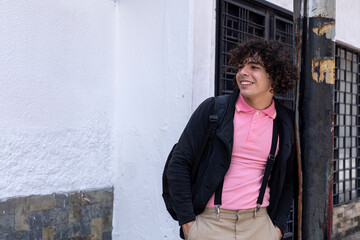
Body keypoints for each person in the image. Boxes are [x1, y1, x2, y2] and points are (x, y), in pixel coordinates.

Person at [167, 38, 297, 240]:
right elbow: (179, 164)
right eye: (240, 66)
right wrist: (188, 222)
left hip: (259, 226)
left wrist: (277, 227)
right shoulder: (213, 110)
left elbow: (288, 178)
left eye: (254, 67)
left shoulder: (284, 122)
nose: (243, 73)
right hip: (210, 224)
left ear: (274, 75)